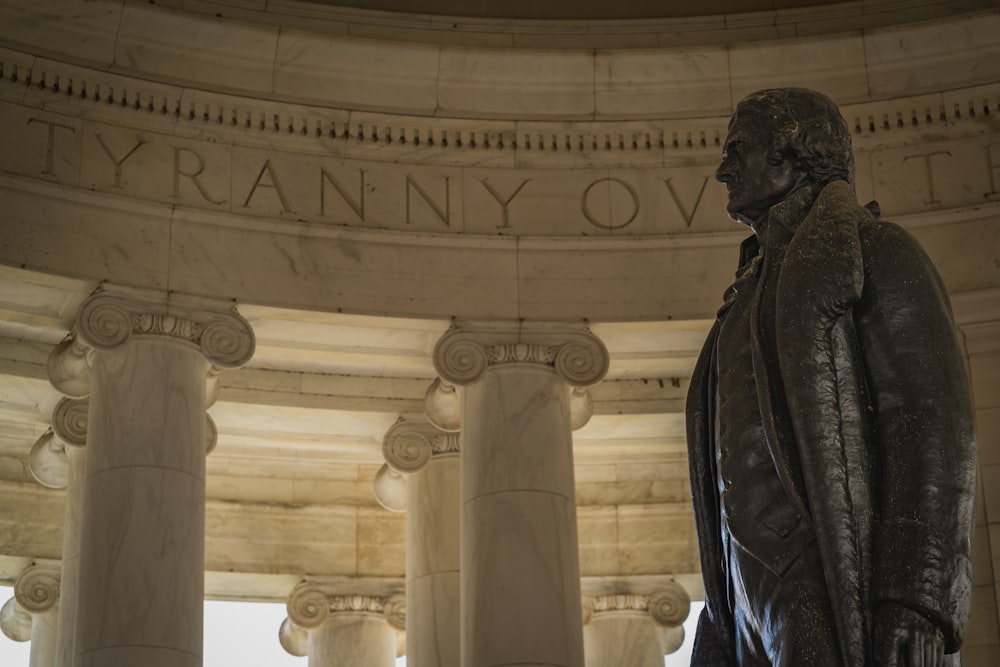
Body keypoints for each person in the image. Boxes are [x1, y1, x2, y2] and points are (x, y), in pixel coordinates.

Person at [685, 88, 977, 666]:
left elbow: (931, 424)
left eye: (738, 150)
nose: (721, 171)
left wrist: (917, 593)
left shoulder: (875, 252)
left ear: (792, 153)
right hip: (746, 591)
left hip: (827, 566)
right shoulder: (741, 300)